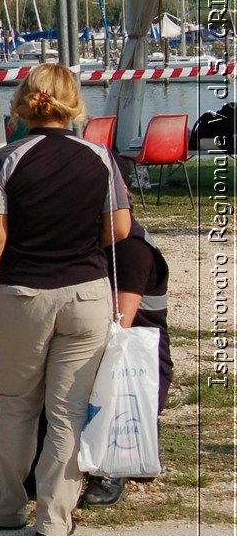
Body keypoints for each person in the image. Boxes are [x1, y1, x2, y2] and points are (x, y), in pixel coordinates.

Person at [0, 63, 132, 536]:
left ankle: (6, 506)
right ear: (72, 103)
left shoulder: (8, 159)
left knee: (17, 406)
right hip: (86, 290)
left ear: (25, 103)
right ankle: (55, 515)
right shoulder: (99, 156)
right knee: (68, 411)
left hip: (26, 292)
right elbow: (121, 228)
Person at [83, 211, 172, 507]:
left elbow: (118, 326)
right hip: (127, 361)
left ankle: (112, 468)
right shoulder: (106, 241)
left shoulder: (130, 248)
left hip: (137, 370)